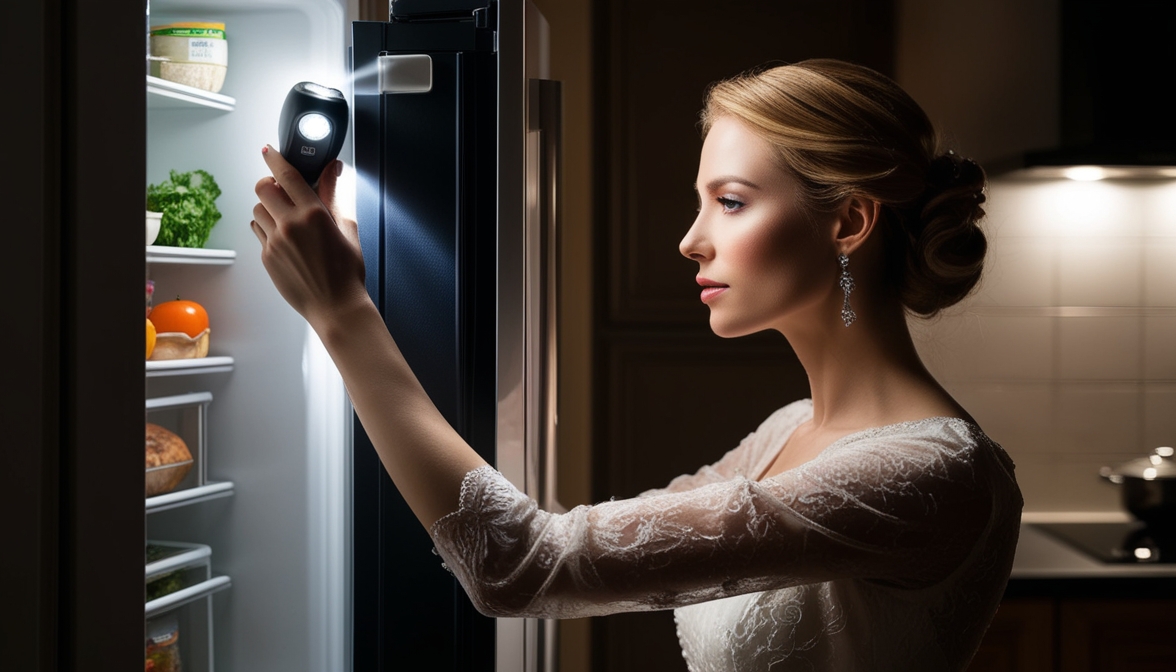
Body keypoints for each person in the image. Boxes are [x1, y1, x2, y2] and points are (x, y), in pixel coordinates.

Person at [251, 58, 1022, 671]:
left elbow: (522, 565)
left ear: (849, 221)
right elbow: (570, 541)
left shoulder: (930, 474)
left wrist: (342, 313)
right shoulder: (788, 432)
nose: (690, 241)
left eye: (730, 201)